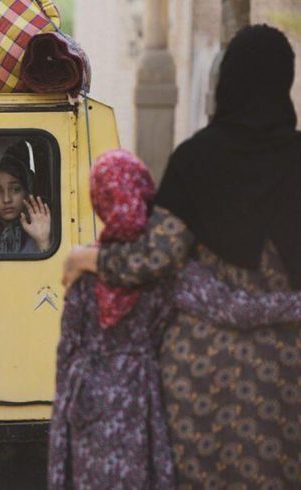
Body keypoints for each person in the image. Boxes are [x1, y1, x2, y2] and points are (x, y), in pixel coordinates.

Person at [61, 25, 301, 488]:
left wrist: (89, 260)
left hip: (202, 369)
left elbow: (157, 256)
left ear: (225, 81)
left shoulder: (198, 158)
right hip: (287, 365)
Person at [0, 143, 51, 254]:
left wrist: (43, 241)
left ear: (27, 191)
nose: (6, 199)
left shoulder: (42, 229)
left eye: (16, 189)